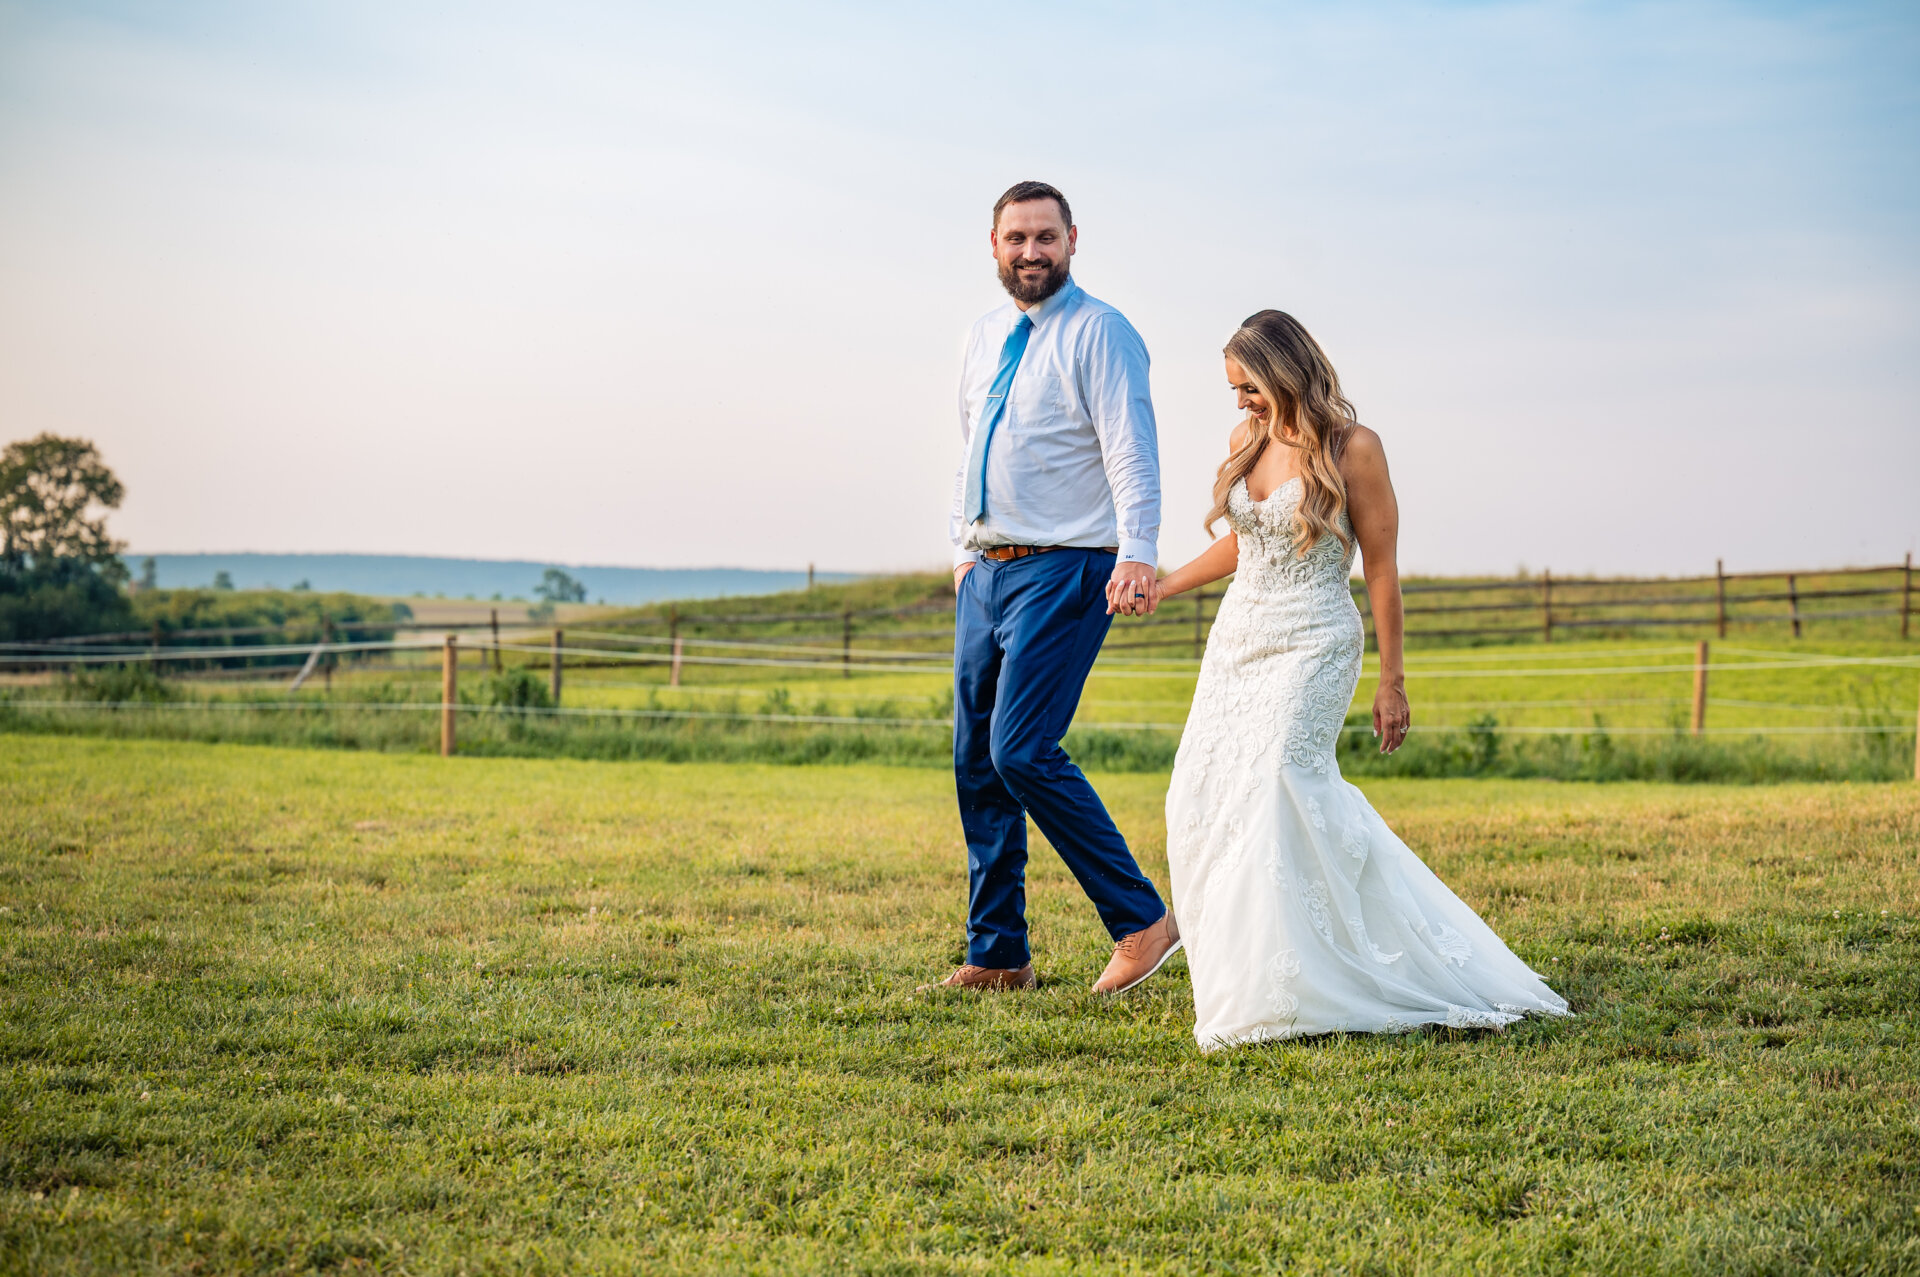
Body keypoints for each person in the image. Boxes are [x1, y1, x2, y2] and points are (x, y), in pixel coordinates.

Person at [1151, 310, 1571, 1049]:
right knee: (1199, 788)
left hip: (1315, 638)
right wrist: (1166, 584)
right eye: (1233, 389)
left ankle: (1341, 964)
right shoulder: (1245, 442)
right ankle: (1251, 967)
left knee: (1282, 777)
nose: (1241, 402)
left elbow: (1380, 565)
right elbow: (1246, 546)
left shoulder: (1356, 448)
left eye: (1248, 386)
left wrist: (1393, 680)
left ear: (1285, 370)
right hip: (1239, 639)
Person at [926, 181, 1181, 995]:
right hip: (988, 570)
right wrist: (963, 550)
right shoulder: (981, 336)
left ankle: (1141, 919)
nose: (1030, 252)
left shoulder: (1102, 332)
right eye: (1016, 239)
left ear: (1073, 239)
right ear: (993, 245)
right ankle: (998, 953)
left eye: (1045, 237)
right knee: (977, 761)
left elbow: (1129, 447)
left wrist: (1138, 551)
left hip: (1067, 566)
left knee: (1021, 747)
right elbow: (974, 446)